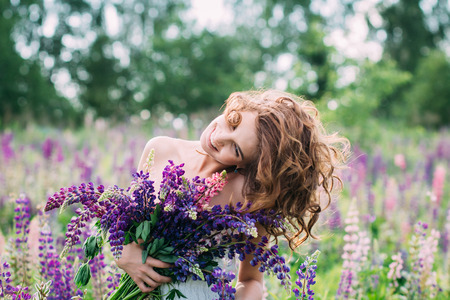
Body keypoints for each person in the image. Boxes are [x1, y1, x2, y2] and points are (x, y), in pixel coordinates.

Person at [116, 89, 348, 299]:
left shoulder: (248, 197)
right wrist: (124, 254)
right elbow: (125, 218)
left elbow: (251, 280)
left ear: (249, 167)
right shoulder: (159, 148)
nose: (219, 138)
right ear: (234, 108)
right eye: (233, 123)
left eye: (236, 149)